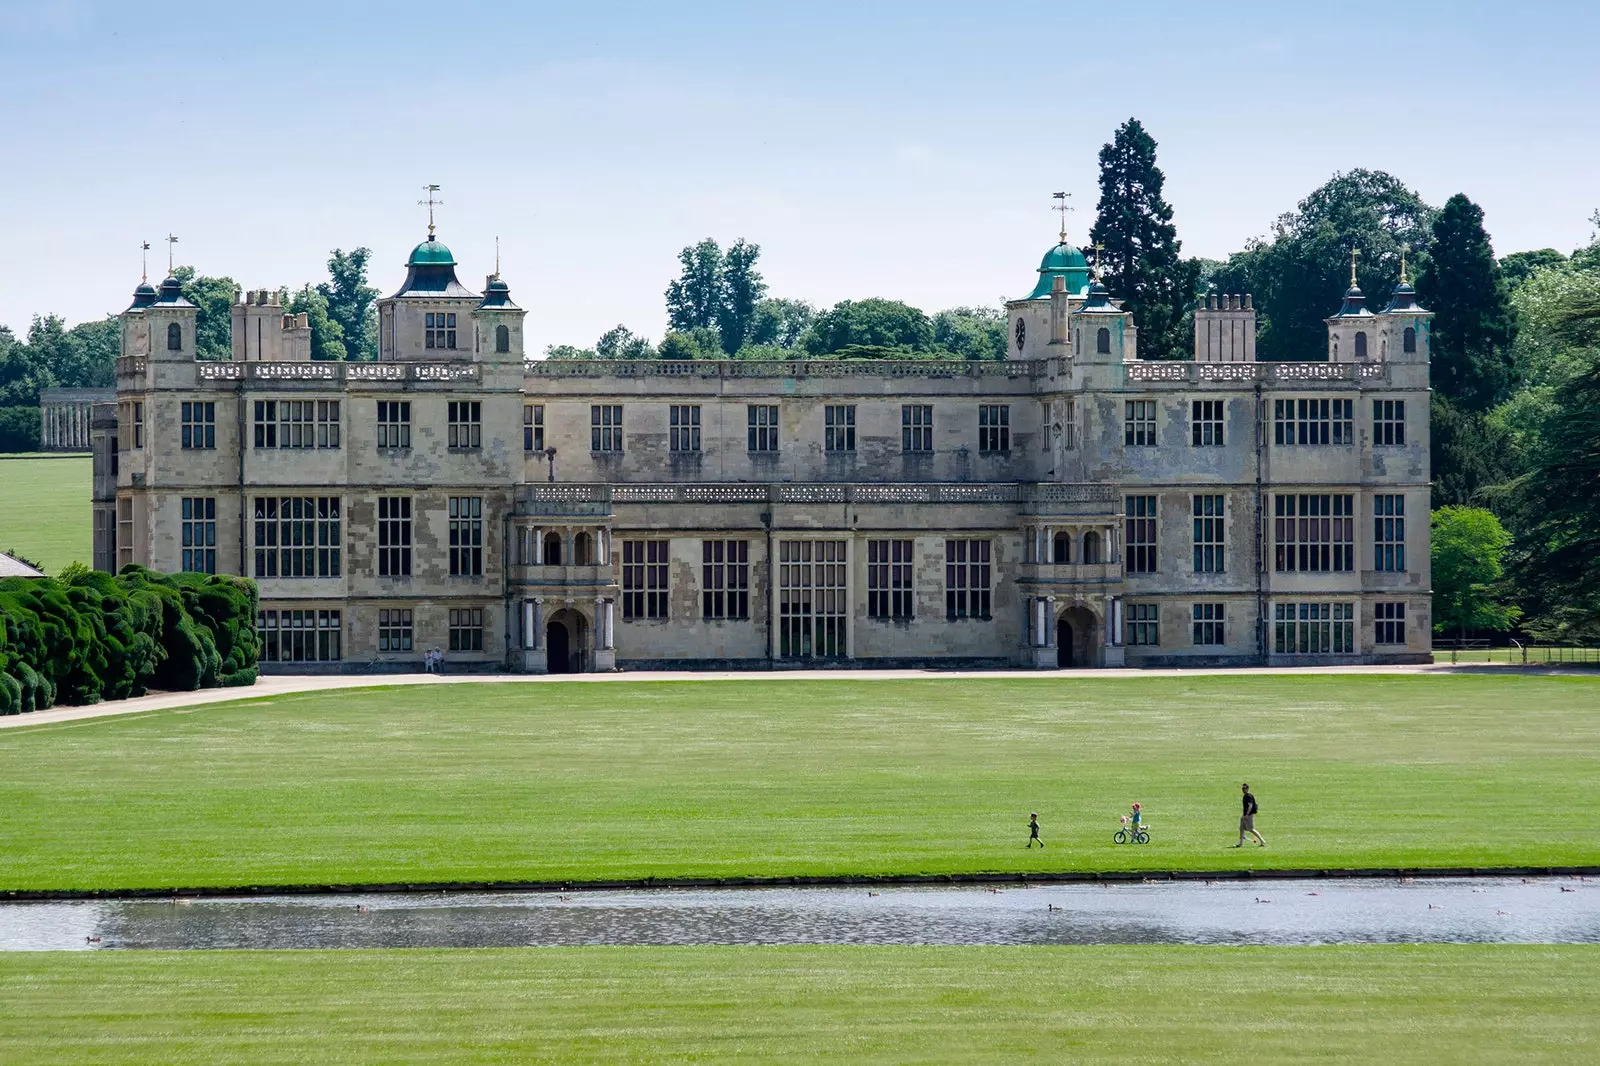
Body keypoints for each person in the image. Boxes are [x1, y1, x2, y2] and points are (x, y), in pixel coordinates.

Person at [1233, 783, 1265, 847]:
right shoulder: (1245, 796)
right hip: (1244, 815)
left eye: (1244, 788)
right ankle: (1241, 844)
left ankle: (1262, 841)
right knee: (1241, 828)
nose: (1243, 790)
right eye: (1242, 788)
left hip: (1248, 815)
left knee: (1251, 829)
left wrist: (1247, 815)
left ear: (1247, 789)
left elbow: (1250, 805)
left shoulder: (1249, 796)